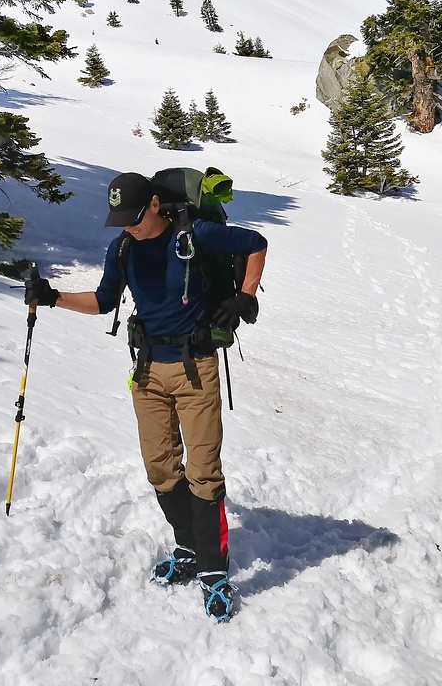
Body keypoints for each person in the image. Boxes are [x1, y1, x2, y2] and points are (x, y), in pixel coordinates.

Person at [24, 171, 267, 621]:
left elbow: (254, 243)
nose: (128, 226)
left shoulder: (193, 233)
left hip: (196, 368)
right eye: (120, 220)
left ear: (155, 205)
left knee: (203, 471)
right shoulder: (122, 248)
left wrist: (245, 297)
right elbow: (103, 300)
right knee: (160, 466)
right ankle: (189, 548)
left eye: (134, 217)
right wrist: (52, 296)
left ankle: (214, 571)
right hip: (147, 370)